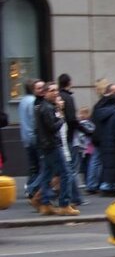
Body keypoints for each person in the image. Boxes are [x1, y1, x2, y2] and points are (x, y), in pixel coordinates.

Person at [35, 82, 79, 216]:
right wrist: (61, 115)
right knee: (66, 173)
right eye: (52, 91)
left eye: (56, 91)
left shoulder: (43, 107)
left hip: (46, 145)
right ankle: (64, 204)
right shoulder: (47, 108)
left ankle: (45, 203)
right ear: (45, 93)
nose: (55, 93)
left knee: (47, 174)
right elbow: (53, 127)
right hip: (52, 145)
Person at [92, 84, 115, 196]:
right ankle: (112, 187)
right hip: (114, 144)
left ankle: (105, 185)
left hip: (104, 142)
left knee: (107, 166)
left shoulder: (100, 110)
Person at [18, 79, 42, 187]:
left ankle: (31, 185)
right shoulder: (33, 101)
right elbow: (34, 120)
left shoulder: (23, 101)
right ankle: (32, 186)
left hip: (26, 136)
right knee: (38, 165)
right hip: (33, 136)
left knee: (33, 165)